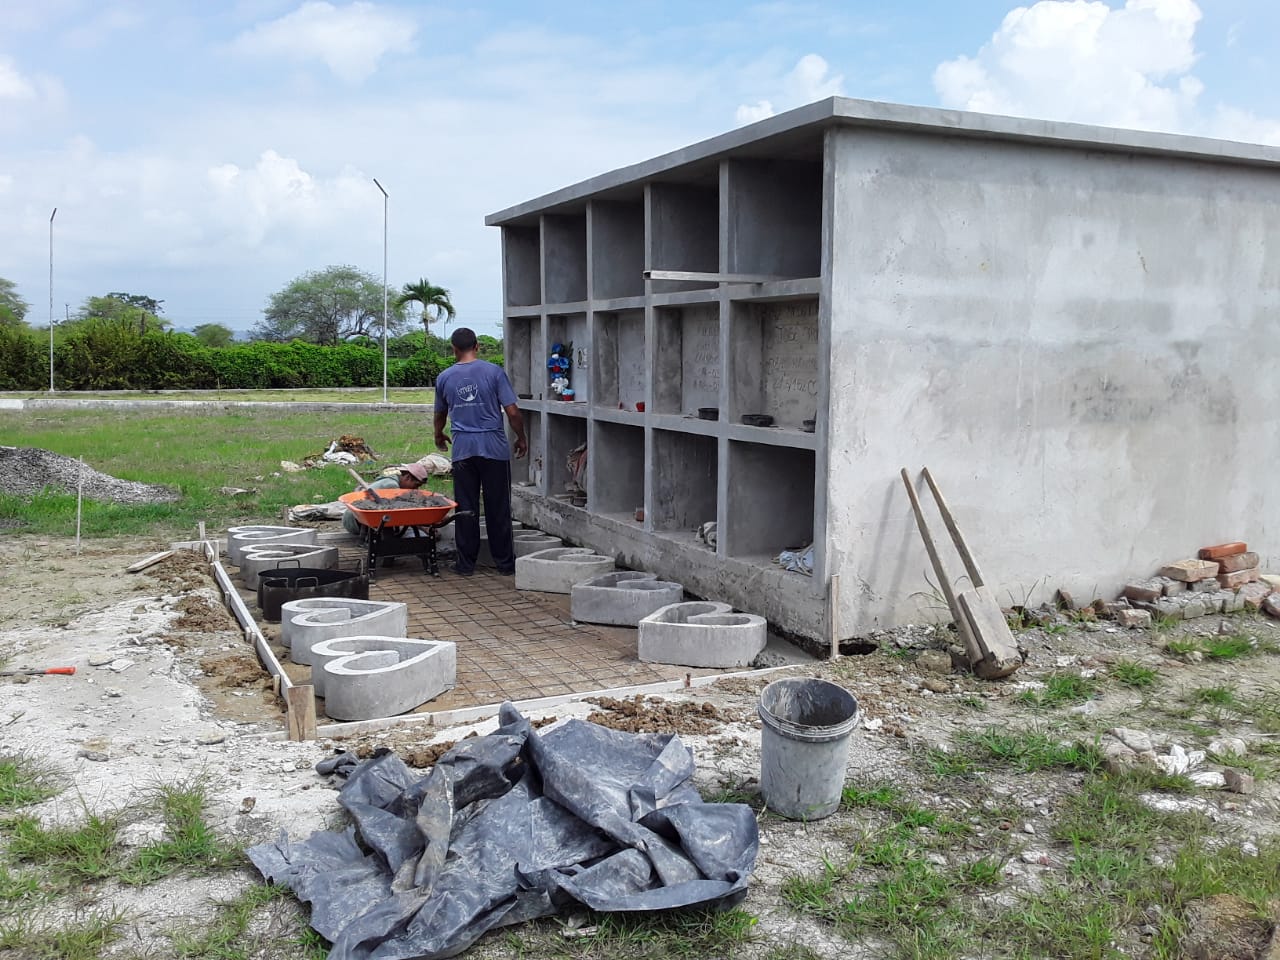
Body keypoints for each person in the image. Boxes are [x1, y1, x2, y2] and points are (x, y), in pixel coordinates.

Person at [434, 327, 527, 576]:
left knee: (466, 507)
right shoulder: (494, 372)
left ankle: (465, 565)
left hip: (463, 450)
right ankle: (505, 564)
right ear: (477, 346)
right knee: (498, 507)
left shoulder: (444, 377)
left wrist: (438, 435)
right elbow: (513, 412)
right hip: (494, 448)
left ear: (454, 349)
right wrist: (521, 438)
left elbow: (440, 413)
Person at [341, 463, 428, 537]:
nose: (416, 489)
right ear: (407, 477)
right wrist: (422, 526)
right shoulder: (391, 486)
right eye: (416, 485)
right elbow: (399, 514)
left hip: (360, 517)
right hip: (355, 521)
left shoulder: (393, 479)